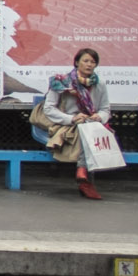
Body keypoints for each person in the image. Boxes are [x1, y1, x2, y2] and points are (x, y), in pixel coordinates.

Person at [35, 47, 112, 199]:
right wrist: (71, 119)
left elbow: (105, 109)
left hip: (90, 122)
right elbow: (49, 109)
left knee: (90, 130)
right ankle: (84, 179)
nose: (89, 65)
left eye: (93, 62)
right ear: (77, 63)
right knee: (86, 132)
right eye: (86, 61)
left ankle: (83, 173)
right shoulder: (61, 82)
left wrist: (99, 116)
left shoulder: (100, 84)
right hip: (67, 124)